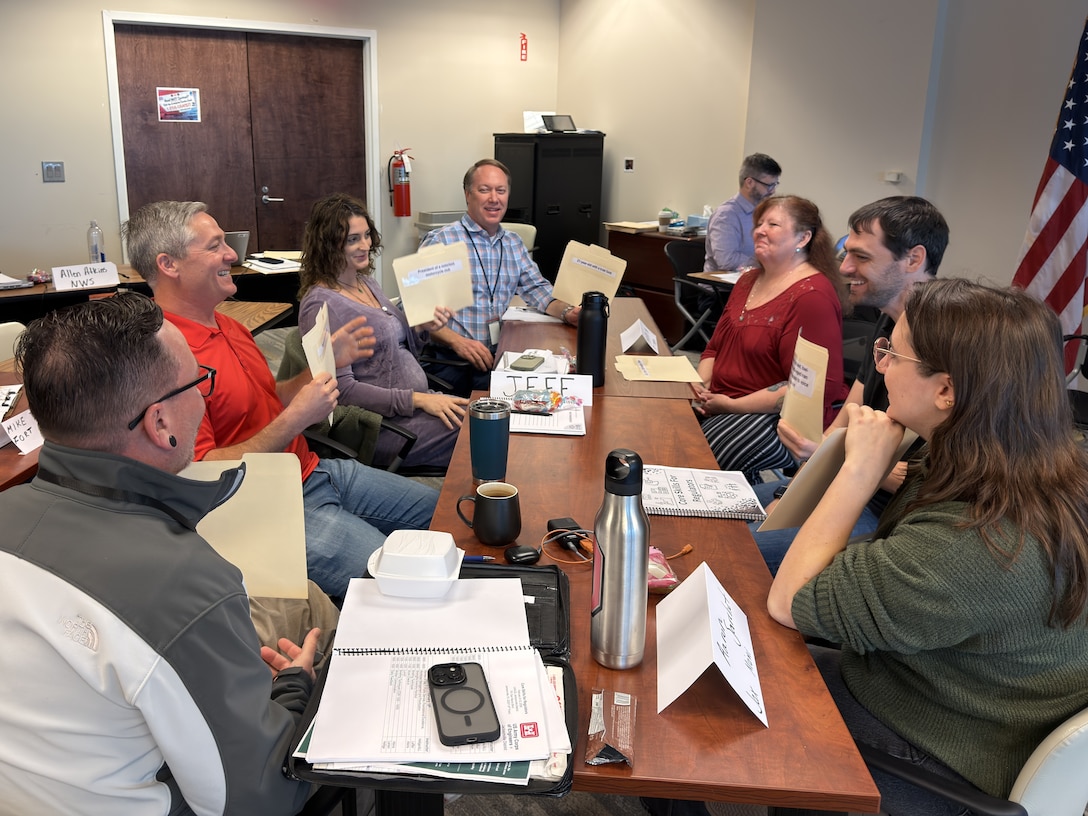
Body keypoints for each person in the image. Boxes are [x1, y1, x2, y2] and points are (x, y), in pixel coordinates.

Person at [767, 279, 1088, 815]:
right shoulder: (1028, 457)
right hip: (970, 701)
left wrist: (861, 469)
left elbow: (790, 602)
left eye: (891, 351)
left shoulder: (977, 543)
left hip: (945, 752)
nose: (880, 364)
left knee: (748, 678)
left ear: (947, 391)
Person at [0, 292, 320, 815]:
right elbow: (258, 799)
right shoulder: (184, 584)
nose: (204, 398)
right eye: (199, 382)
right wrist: (292, 691)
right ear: (161, 424)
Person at [123, 201, 438, 599]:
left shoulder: (229, 324)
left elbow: (268, 398)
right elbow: (199, 470)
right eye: (215, 245)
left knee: (440, 516)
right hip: (267, 506)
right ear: (169, 264)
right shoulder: (163, 357)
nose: (232, 255)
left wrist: (321, 369)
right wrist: (295, 420)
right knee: (399, 585)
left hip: (312, 471)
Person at [751, 196, 949, 573]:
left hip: (888, 512)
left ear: (913, 259)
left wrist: (835, 458)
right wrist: (808, 476)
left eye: (862, 257)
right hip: (848, 479)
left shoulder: (943, 340)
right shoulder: (890, 320)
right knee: (718, 516)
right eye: (847, 254)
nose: (844, 267)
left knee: (739, 549)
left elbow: (917, 483)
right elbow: (848, 417)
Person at [299, 192, 468, 469]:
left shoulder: (366, 283)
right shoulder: (320, 304)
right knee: (486, 435)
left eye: (366, 235)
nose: (365, 245)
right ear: (329, 245)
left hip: (415, 410)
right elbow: (342, 390)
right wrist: (416, 399)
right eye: (353, 239)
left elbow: (398, 351)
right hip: (382, 427)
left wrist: (423, 328)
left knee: (493, 419)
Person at [693, 194, 849, 482]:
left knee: (696, 457)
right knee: (664, 427)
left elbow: (812, 390)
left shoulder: (812, 296)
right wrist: (702, 387)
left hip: (779, 420)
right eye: (759, 223)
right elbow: (714, 348)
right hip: (721, 401)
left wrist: (730, 405)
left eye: (773, 224)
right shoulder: (747, 281)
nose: (760, 230)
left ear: (803, 238)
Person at [419, 158, 582, 396]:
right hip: (453, 360)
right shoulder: (441, 241)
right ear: (467, 195)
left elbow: (538, 290)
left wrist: (569, 312)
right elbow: (414, 313)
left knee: (556, 391)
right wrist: (457, 342)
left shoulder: (513, 243)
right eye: (484, 190)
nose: (494, 198)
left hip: (500, 354)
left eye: (501, 191)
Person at [703, 152, 782, 273]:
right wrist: (766, 263)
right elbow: (726, 261)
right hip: (723, 289)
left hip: (754, 283)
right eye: (769, 185)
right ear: (749, 183)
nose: (773, 191)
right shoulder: (726, 215)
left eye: (775, 185)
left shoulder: (764, 213)